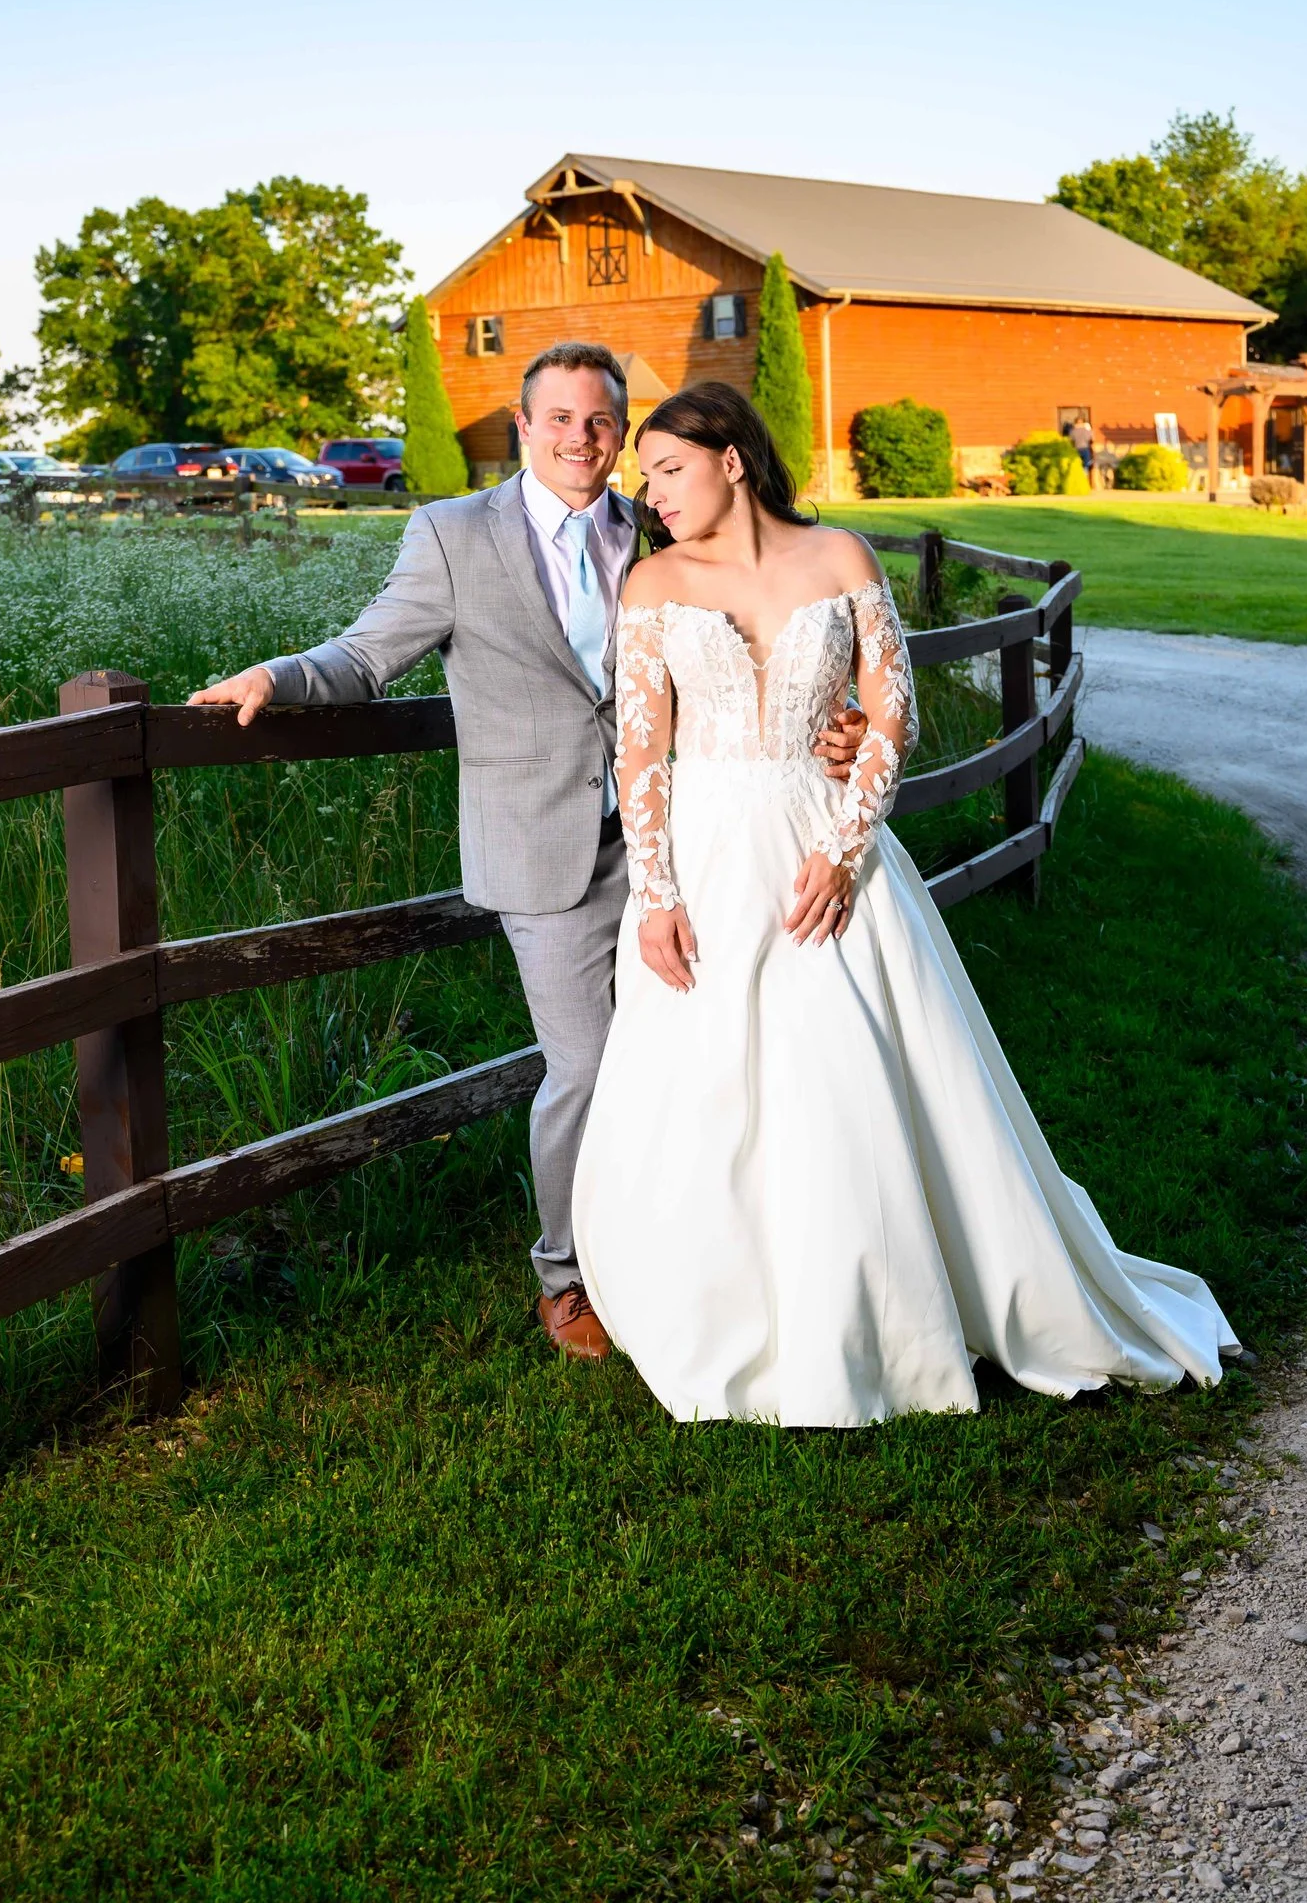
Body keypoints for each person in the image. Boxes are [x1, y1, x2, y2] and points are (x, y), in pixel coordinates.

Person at [569, 382, 1235, 1426]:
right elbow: (640, 743)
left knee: (847, 1068)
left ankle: (884, 1304)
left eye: (666, 469)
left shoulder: (839, 559)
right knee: (700, 1081)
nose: (649, 494)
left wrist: (842, 850)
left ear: (731, 459)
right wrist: (653, 892)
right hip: (702, 852)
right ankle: (716, 1301)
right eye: (645, 476)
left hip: (822, 838)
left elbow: (892, 714)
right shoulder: (652, 584)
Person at [185, 344, 861, 1359]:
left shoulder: (658, 524)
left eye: (600, 422)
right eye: (560, 419)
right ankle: (567, 1273)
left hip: (684, 834)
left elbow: (763, 646)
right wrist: (277, 678)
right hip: (542, 852)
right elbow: (367, 653)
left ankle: (696, 1248)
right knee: (587, 1067)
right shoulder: (453, 534)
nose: (582, 439)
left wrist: (836, 723)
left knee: (707, 1048)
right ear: (523, 423)